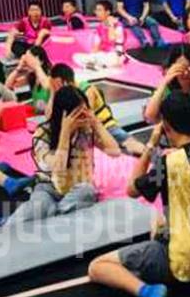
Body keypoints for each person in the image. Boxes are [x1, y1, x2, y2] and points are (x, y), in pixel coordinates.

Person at [88, 90, 190, 297]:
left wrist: (150, 145)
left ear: (165, 126)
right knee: (159, 218)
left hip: (181, 261)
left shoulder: (169, 162)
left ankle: (149, 291)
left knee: (97, 267)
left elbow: (131, 189)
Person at [7, 85, 120, 225]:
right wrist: (66, 132)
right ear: (63, 115)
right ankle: (4, 224)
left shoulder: (87, 129)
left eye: (85, 111)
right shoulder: (43, 133)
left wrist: (96, 123)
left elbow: (115, 151)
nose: (82, 118)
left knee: (86, 191)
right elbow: (57, 168)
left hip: (78, 188)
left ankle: (53, 216)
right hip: (48, 187)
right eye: (77, 114)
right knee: (38, 208)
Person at [45, 63, 146, 155]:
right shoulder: (62, 94)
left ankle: (149, 153)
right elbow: (49, 117)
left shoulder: (87, 90)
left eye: (56, 85)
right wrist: (53, 93)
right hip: (85, 131)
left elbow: (85, 118)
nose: (55, 88)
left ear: (63, 82)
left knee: (129, 144)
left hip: (105, 126)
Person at [73, 0, 126, 70]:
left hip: (114, 55)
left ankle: (95, 66)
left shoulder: (118, 25)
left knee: (105, 58)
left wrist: (111, 25)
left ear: (108, 12)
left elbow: (113, 39)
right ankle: (95, 66)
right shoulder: (99, 27)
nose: (96, 12)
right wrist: (91, 56)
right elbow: (96, 46)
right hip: (102, 54)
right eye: (96, 10)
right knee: (76, 57)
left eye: (99, 10)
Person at [5, 44, 52, 113]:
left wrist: (36, 66)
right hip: (35, 112)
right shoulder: (31, 76)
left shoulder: (50, 77)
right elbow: (8, 85)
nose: (27, 63)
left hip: (46, 113)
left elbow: (47, 86)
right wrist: (19, 67)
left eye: (29, 60)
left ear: (41, 61)